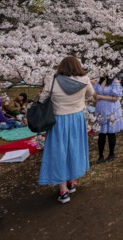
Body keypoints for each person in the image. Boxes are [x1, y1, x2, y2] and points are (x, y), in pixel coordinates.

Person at [38, 56, 94, 204]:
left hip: (58, 121)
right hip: (77, 119)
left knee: (59, 152)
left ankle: (63, 190)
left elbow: (42, 99)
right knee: (75, 149)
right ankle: (72, 180)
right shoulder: (85, 79)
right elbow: (90, 94)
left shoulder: (53, 80)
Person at [93, 76, 123, 163]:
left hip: (111, 109)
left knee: (111, 133)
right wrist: (95, 96)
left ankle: (111, 154)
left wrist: (101, 97)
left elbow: (116, 98)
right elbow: (95, 94)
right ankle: (100, 155)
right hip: (100, 109)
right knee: (101, 133)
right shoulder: (99, 81)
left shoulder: (115, 82)